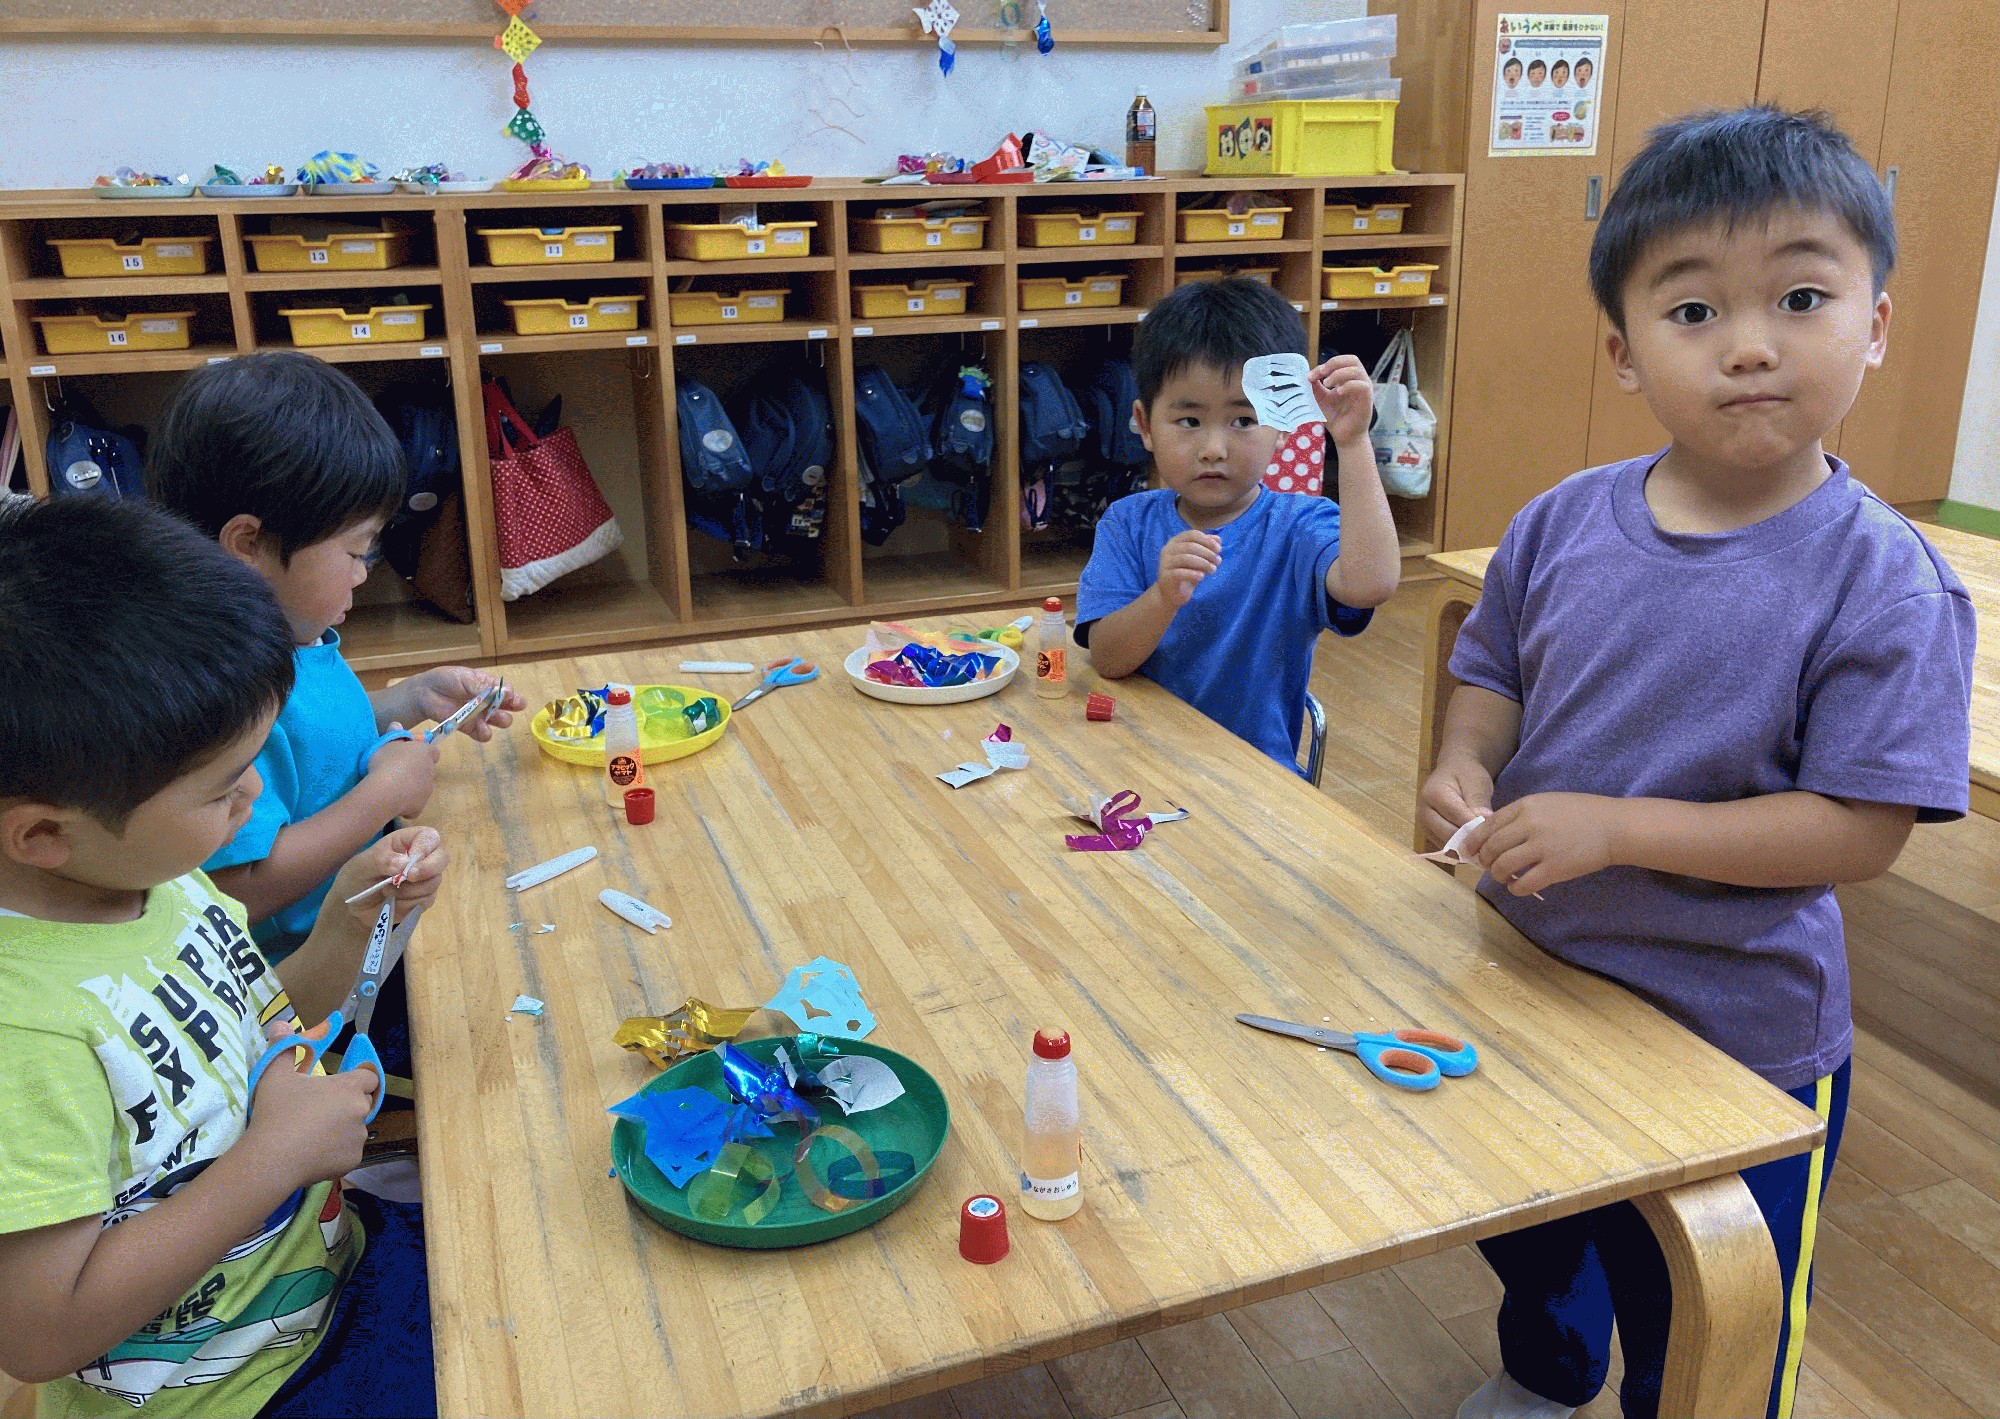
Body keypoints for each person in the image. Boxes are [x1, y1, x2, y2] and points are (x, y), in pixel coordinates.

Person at [1423, 107, 1974, 1419]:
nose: (1749, 345)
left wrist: (1616, 827)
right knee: (1535, 1231)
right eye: (1691, 311)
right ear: (1623, 350)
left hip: (1738, 1038)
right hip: (1531, 974)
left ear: (1875, 324)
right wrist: (1462, 761)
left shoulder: (1885, 582)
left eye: (1799, 297)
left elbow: (1860, 829)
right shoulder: (1560, 519)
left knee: (1707, 1321)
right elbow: (1490, 669)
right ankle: (1546, 1373)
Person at [0, 497, 445, 1417]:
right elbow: (39, 1334)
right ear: (43, 833)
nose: (255, 793)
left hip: (322, 1276)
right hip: (231, 1391)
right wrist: (273, 1159)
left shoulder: (154, 875)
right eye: (218, 788)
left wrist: (355, 919)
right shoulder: (24, 1033)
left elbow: (259, 1021)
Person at [147, 352, 524, 963]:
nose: (363, 574)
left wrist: (408, 699)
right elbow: (240, 892)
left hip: (367, 923)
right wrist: (383, 796)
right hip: (307, 978)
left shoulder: (294, 637)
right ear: (249, 544)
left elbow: (307, 744)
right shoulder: (220, 694)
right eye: (354, 552)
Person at [1076, 278, 1401, 772]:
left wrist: (1353, 443)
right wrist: (1162, 598)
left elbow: (1371, 585)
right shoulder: (1128, 523)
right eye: (1189, 422)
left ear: (1283, 425)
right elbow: (1108, 659)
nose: (1214, 449)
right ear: (1144, 425)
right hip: (1137, 767)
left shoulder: (1299, 526)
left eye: (1243, 421)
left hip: (1255, 780)